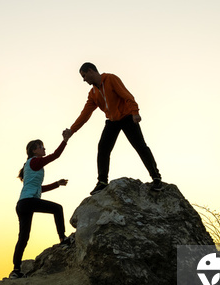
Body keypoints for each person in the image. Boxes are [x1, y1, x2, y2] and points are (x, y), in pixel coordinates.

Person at [67, 62, 163, 195]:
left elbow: (127, 95)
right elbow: (85, 114)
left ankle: (156, 178)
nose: (84, 80)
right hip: (112, 122)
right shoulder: (93, 93)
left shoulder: (110, 79)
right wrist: (72, 130)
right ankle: (102, 182)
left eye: (84, 76)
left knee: (140, 146)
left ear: (90, 71)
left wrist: (135, 112)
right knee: (103, 148)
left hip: (127, 117)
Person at [10, 129, 72, 279]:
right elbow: (56, 156)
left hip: (22, 204)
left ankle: (15, 270)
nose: (44, 149)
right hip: (29, 202)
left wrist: (57, 184)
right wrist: (65, 140)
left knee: (23, 237)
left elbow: (39, 188)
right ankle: (63, 239)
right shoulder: (35, 161)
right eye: (41, 147)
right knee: (58, 209)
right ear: (34, 150)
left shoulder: (30, 165)